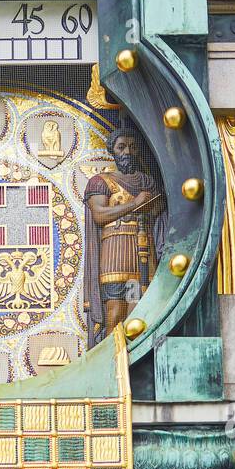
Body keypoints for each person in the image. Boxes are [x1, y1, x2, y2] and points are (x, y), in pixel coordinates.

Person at [83, 126, 167, 345]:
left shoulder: (147, 182)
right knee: (115, 312)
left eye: (132, 147)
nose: (127, 152)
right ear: (113, 151)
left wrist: (147, 204)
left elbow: (157, 210)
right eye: (121, 147)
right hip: (114, 255)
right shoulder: (100, 181)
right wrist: (135, 204)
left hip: (142, 251)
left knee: (137, 311)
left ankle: (133, 362)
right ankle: (111, 363)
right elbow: (100, 215)